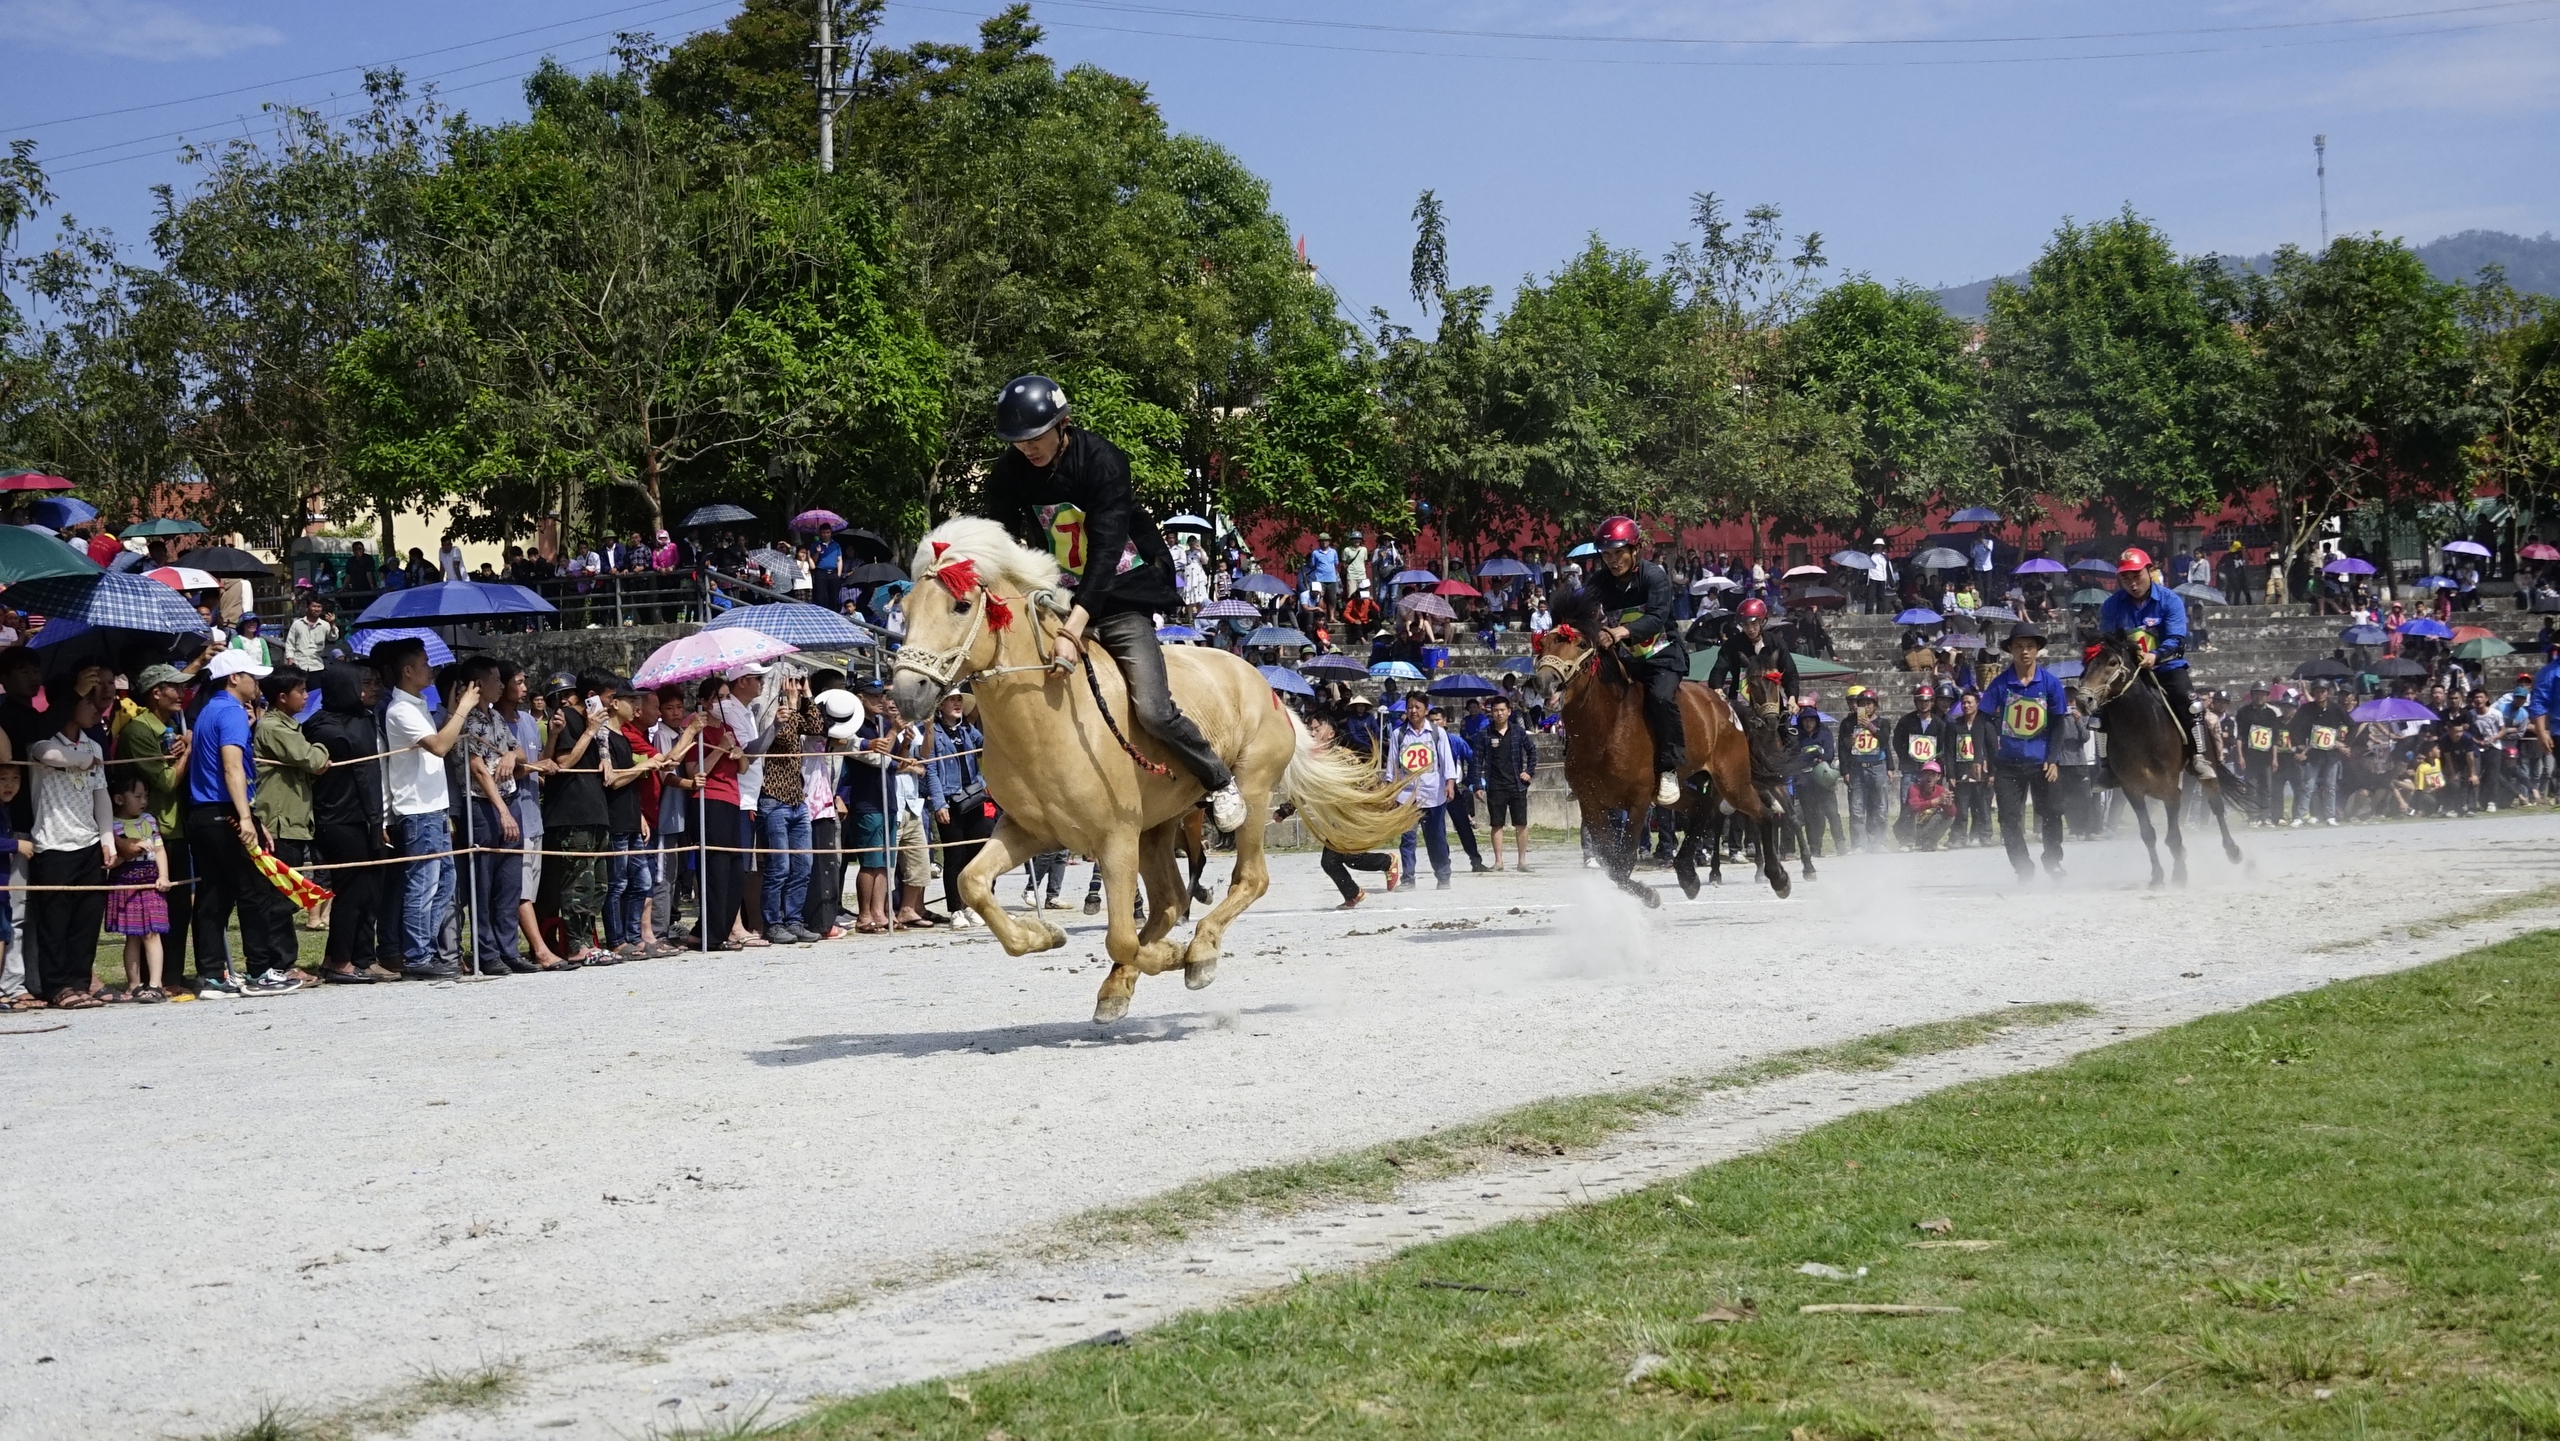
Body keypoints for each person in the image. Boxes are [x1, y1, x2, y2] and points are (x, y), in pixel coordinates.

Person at [986, 374, 1246, 831]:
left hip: (1121, 592)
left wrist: (1073, 629)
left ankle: (1217, 777)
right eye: (1017, 441)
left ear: (1063, 424)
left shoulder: (1102, 460)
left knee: (1151, 708)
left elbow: (1105, 554)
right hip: (1058, 593)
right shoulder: (1010, 472)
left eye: (1035, 437)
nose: (1027, 448)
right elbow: (998, 538)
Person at [377, 638, 478, 980]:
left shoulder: (417, 704)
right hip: (418, 809)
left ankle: (426, 949)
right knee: (423, 884)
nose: (430, 668)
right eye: (423, 662)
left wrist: (451, 712)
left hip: (435, 806)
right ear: (407, 670)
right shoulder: (401, 709)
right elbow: (438, 746)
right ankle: (417, 954)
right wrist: (464, 708)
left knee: (445, 882)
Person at [25, 679, 116, 1007]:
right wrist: (82, 761)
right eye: (89, 703)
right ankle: (57, 987)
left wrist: (107, 839)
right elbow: (51, 756)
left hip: (89, 844)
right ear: (69, 706)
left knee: (86, 921)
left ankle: (80, 982)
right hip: (54, 845)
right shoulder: (41, 743)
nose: (97, 708)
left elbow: (100, 794)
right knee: (55, 923)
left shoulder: (93, 745)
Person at [1585, 515, 1687, 806]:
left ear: (1635, 550)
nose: (1613, 561)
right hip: (1626, 660)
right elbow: (1583, 608)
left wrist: (1619, 631)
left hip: (1662, 658)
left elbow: (1656, 618)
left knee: (1660, 698)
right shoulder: (1600, 580)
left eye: (1618, 553)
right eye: (1606, 555)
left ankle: (1668, 768)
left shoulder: (1654, 576)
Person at [308, 661, 394, 983]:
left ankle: (359, 956)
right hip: (339, 820)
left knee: (370, 891)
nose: (374, 689)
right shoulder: (323, 727)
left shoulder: (363, 720)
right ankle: (339, 960)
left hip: (366, 819)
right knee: (352, 891)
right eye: (365, 683)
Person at [2097, 547, 2215, 780]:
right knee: (2100, 709)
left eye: (2136, 576)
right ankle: (2107, 766)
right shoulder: (2111, 606)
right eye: (2125, 578)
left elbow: (2177, 639)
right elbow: (2108, 642)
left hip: (2167, 667)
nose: (2132, 583)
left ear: (2150, 571)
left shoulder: (2170, 601)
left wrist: (2156, 656)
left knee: (2190, 701)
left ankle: (2199, 756)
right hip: (2129, 673)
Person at [116, 663, 196, 986]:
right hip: (150, 832)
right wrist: (187, 751)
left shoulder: (170, 724)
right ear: (156, 693)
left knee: (179, 907)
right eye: (174, 687)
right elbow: (164, 782)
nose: (181, 693)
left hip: (175, 826)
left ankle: (172, 976)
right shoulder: (138, 731)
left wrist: (180, 743)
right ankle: (150, 981)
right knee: (150, 914)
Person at [1980, 621, 2070, 882]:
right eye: (2018, 646)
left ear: (2037, 650)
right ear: (2011, 650)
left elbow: (2058, 723)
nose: (2024, 652)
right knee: (2008, 818)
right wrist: (1983, 756)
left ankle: (2053, 861)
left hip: (2041, 762)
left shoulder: (2051, 684)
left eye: (2029, 646)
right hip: (2008, 764)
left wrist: (2053, 759)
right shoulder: (2000, 684)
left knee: (2053, 812)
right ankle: (2023, 868)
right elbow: (1982, 719)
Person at [251, 666, 331, 936]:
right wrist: (320, 748)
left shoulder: (289, 727)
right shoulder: (274, 728)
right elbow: (313, 759)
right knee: (281, 899)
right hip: (278, 824)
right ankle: (280, 964)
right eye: (301, 691)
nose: (306, 696)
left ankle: (283, 963)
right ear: (282, 697)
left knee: (289, 896)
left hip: (293, 821)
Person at [541, 674, 613, 961]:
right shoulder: (568, 718)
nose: (612, 704)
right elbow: (562, 764)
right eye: (609, 698)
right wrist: (588, 732)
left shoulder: (601, 728)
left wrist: (604, 753)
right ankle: (575, 946)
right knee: (577, 884)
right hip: (571, 814)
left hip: (595, 810)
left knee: (598, 884)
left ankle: (587, 940)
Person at [755, 670, 818, 944]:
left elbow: (816, 727)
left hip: (796, 798)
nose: (794, 686)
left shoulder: (793, 711)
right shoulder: (769, 713)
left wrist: (807, 696)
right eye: (791, 681)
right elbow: (785, 738)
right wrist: (791, 706)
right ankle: (774, 922)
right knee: (778, 867)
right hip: (773, 798)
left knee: (803, 865)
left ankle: (795, 919)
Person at [1705, 597, 1801, 774]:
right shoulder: (1732, 645)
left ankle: (1791, 773)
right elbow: (1718, 671)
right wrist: (1717, 687)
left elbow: (1791, 674)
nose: (1750, 629)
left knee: (1791, 737)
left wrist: (1793, 698)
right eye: (1745, 624)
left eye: (1754, 623)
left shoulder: (1776, 643)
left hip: (1771, 702)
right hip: (1740, 703)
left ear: (1762, 621)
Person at [103, 774, 171, 1003]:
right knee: (132, 936)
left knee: (152, 933)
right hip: (125, 881)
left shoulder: (150, 820)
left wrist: (163, 876)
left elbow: (160, 851)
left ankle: (156, 984)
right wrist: (130, 850)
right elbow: (113, 860)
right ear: (119, 799)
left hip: (150, 880)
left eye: (146, 796)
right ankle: (134, 984)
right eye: (138, 796)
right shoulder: (111, 825)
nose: (143, 801)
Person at [1478, 695, 1536, 871]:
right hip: (1495, 785)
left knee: (1521, 823)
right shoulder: (1484, 734)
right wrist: (1477, 785)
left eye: (1502, 710)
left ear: (1509, 712)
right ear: (1491, 712)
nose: (1499, 713)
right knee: (1496, 824)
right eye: (1495, 710)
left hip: (1517, 785)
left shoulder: (1518, 732)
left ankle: (1522, 861)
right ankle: (1498, 862)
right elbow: (1476, 761)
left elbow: (1532, 752)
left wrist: (1528, 772)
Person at [2289, 679, 2349, 827]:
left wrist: (2344, 742)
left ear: (2327, 692)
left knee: (2330, 786)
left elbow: (2350, 724)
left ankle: (2330, 816)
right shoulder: (2306, 709)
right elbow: (2293, 727)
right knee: (2308, 785)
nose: (2320, 694)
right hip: (2313, 752)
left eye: (2322, 691)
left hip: (2331, 753)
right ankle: (2301, 815)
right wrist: (2299, 745)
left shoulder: (2336, 708)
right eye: (2316, 691)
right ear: (2313, 693)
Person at [1837, 686, 1891, 852]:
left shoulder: (1882, 722)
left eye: (1869, 704)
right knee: (1857, 807)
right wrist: (1849, 742)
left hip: (1877, 766)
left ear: (1875, 706)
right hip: (1856, 768)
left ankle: (1879, 841)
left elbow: (1885, 740)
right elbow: (1842, 747)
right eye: (1862, 703)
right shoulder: (1848, 723)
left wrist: (1870, 727)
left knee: (1881, 806)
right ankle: (1859, 843)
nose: (1866, 707)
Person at [2233, 682, 2285, 826]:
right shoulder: (2244, 712)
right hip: (2250, 756)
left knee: (2267, 787)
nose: (2259, 697)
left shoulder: (2271, 714)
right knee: (2251, 787)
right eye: (2256, 693)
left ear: (2267, 696)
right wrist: (2240, 756)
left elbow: (2274, 739)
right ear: (2252, 694)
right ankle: (2253, 816)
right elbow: (2240, 736)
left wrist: (2275, 758)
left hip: (2266, 757)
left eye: (2263, 694)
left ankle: (2266, 815)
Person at [1903, 761, 1956, 850]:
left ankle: (1931, 842)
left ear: (1938, 777)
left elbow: (1952, 813)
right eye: (1926, 774)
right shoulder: (1914, 788)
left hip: (1928, 826)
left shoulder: (1942, 790)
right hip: (1913, 826)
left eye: (1933, 774)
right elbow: (1914, 806)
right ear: (1922, 776)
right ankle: (1909, 843)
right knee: (1909, 812)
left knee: (1950, 817)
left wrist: (1949, 805)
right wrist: (1935, 801)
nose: (1929, 777)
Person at [284, 597, 337, 672]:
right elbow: (290, 643)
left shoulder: (325, 625)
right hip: (299, 665)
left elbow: (333, 638)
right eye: (314, 606)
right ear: (307, 608)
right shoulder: (297, 624)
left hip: (316, 665)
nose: (316, 609)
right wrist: (290, 658)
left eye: (319, 607)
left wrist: (332, 624)